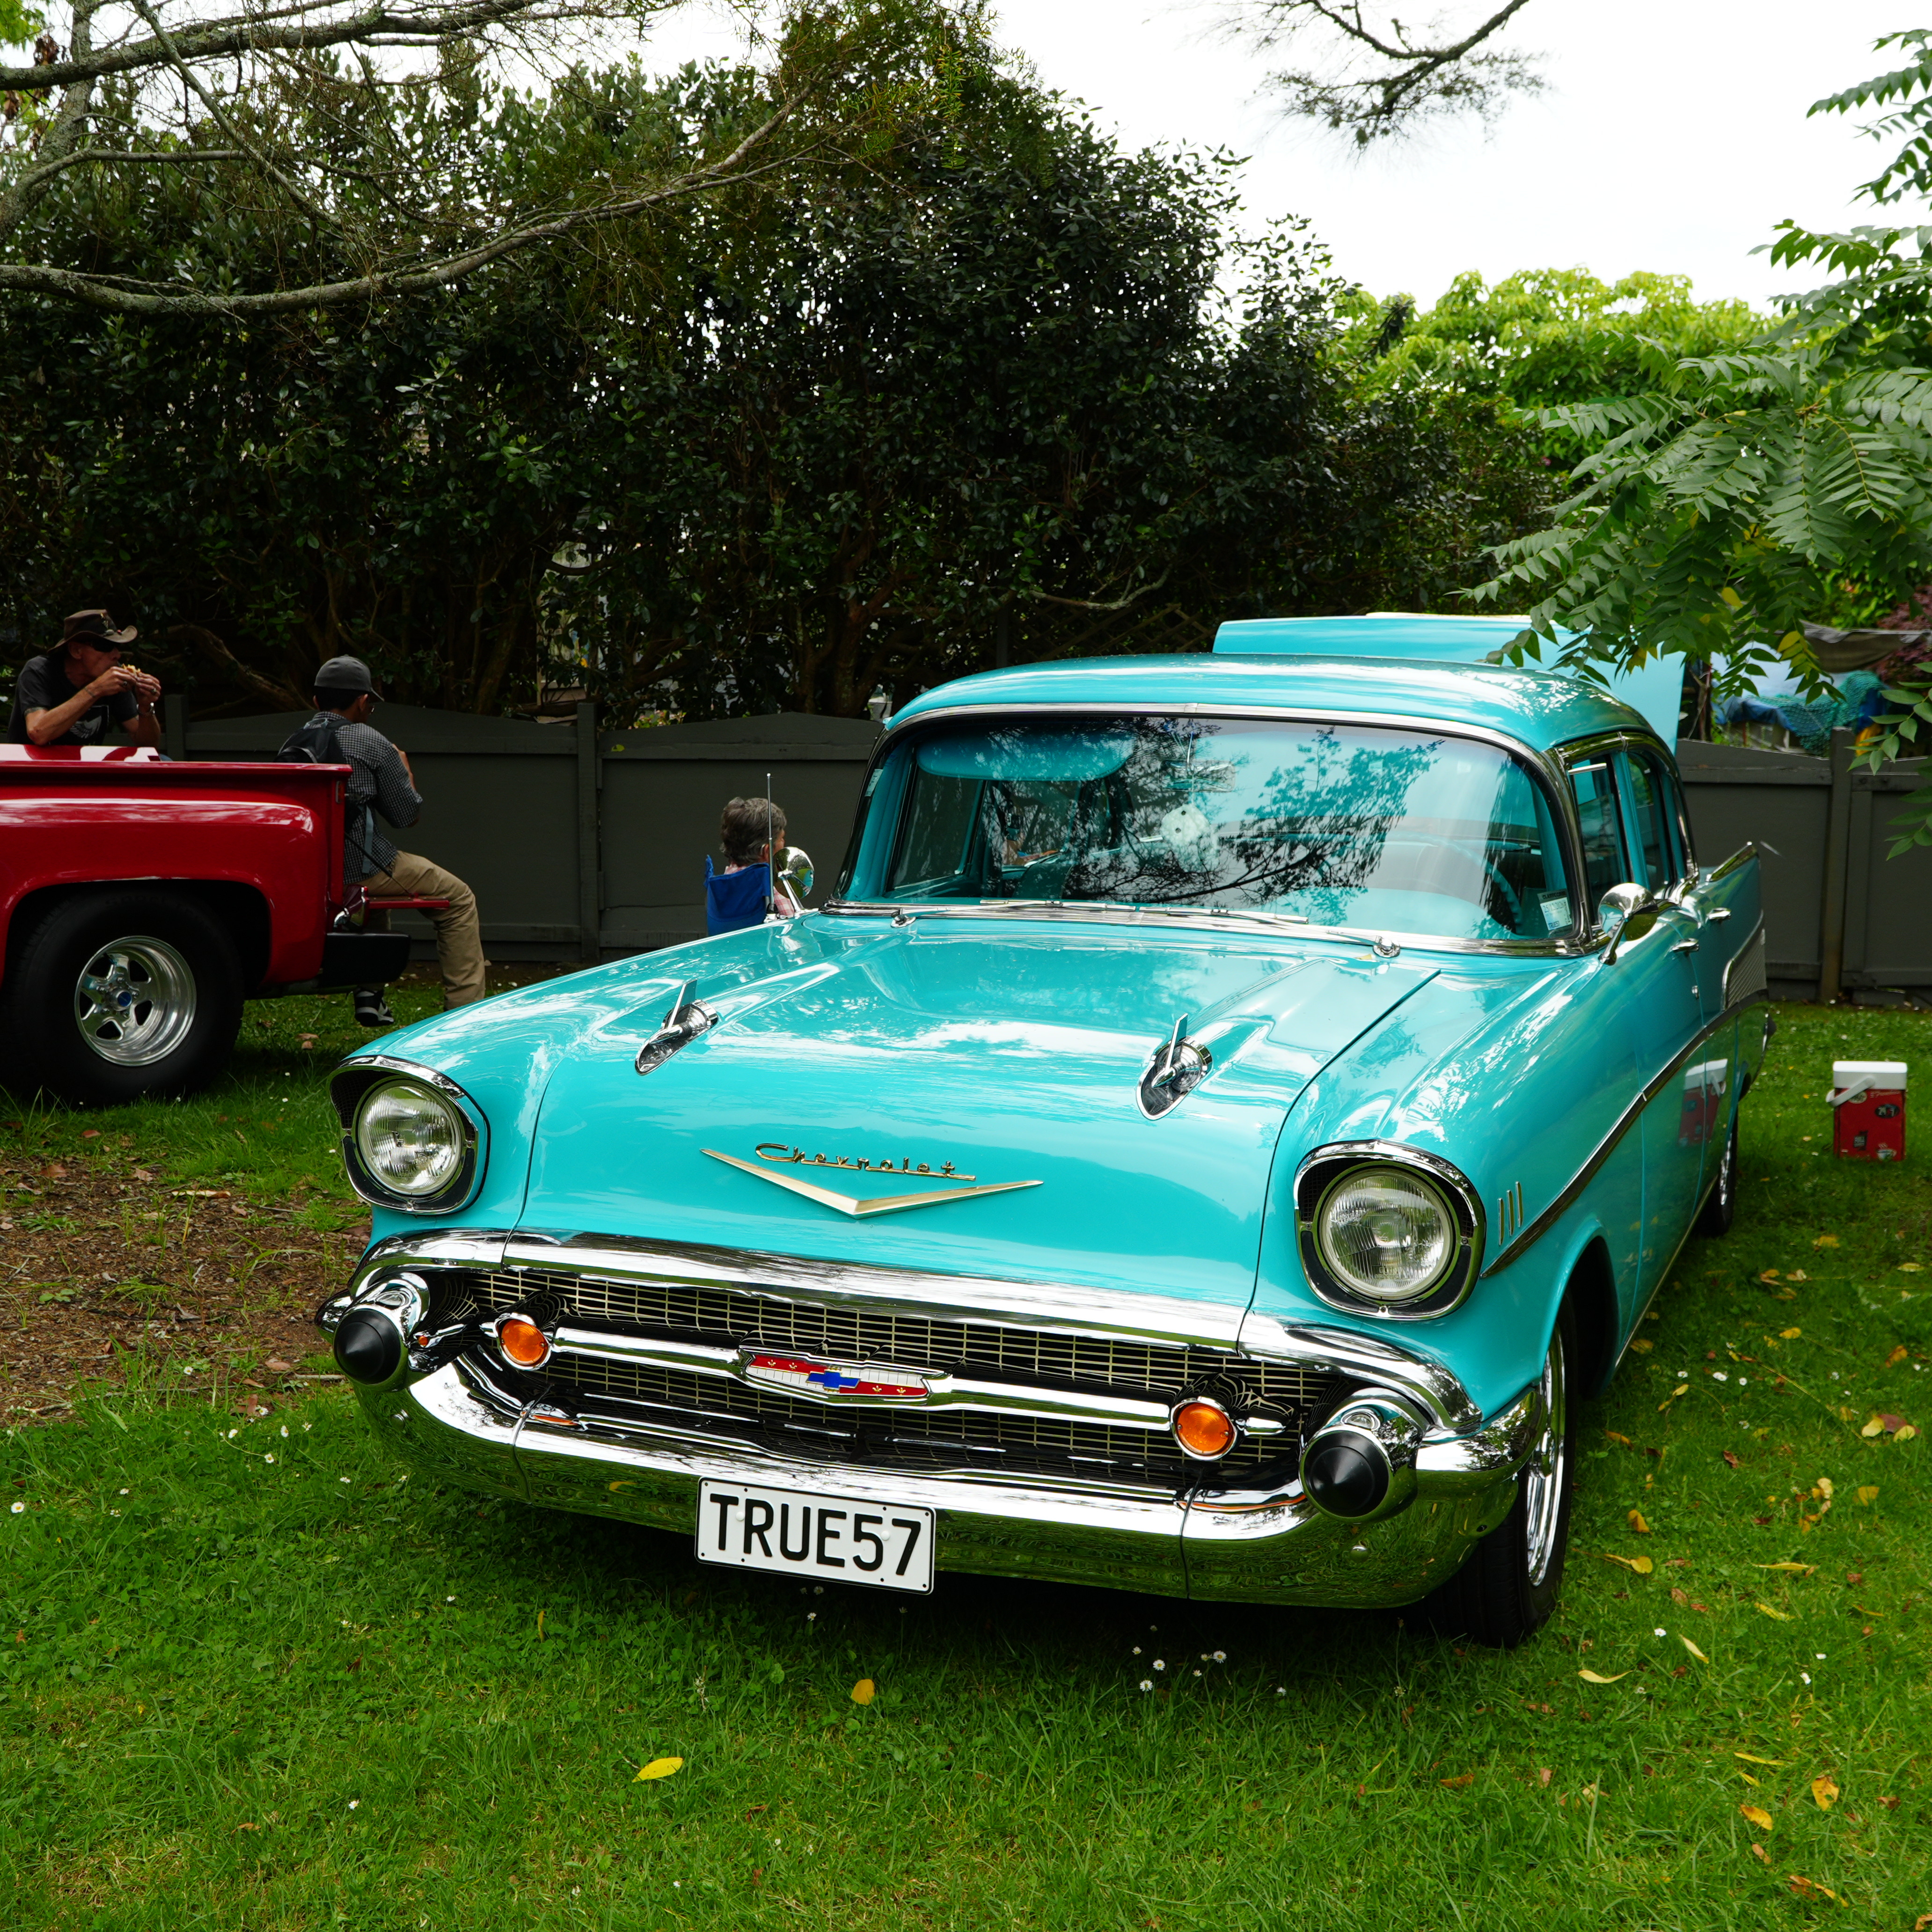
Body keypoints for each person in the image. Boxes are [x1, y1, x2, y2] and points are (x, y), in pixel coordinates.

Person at [293, 655, 485, 1026]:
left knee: (376, 897)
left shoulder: (295, 741)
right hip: (360, 870)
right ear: (363, 702)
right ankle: (465, 1013)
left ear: (316, 701)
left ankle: (371, 995)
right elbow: (406, 816)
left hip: (310, 871)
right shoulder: (372, 741)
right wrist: (405, 770)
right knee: (459, 899)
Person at [6, 608, 162, 748]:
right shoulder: (40, 671)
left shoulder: (114, 677)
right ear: (76, 651)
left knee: (163, 760)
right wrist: (96, 689)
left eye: (117, 647)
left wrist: (145, 708)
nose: (117, 655)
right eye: (106, 646)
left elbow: (149, 745)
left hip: (84, 766)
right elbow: (38, 732)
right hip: (33, 768)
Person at [705, 795, 806, 935]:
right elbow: (795, 935)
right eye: (782, 838)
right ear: (767, 851)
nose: (784, 842)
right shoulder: (771, 889)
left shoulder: (722, 885)